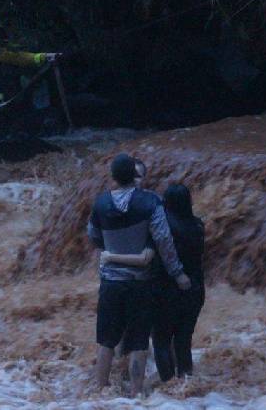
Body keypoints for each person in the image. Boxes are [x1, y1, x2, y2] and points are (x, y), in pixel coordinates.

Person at [87, 153, 191, 396]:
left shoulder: (100, 203)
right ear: (135, 176)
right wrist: (177, 273)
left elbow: (92, 234)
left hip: (110, 281)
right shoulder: (150, 202)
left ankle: (99, 390)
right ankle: (135, 394)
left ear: (112, 177)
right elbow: (164, 240)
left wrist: (110, 250)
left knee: (106, 339)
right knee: (139, 340)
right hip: (140, 282)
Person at [102, 181, 205, 381]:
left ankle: (167, 386)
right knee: (183, 341)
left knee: (162, 341)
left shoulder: (162, 226)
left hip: (166, 291)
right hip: (194, 290)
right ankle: (186, 381)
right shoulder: (198, 225)